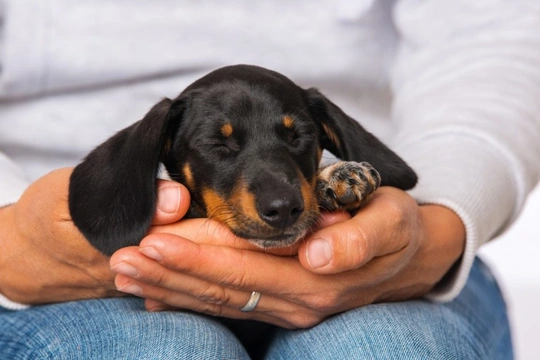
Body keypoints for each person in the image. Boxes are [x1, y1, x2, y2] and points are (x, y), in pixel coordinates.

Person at [1, 1, 538, 358]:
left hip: (397, 248)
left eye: (295, 137)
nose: (280, 200)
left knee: (380, 346)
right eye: (219, 144)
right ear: (167, 152)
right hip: (35, 248)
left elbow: (495, 41)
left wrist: (435, 229)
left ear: (327, 134)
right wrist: (12, 241)